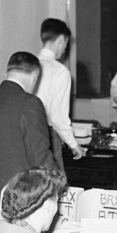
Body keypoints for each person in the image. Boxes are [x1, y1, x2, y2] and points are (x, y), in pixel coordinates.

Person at [0, 52, 54, 221]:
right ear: (34, 77)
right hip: (22, 204)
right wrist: (55, 190)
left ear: (7, 72)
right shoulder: (30, 103)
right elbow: (40, 158)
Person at [36, 18, 84, 170]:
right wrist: (74, 144)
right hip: (47, 136)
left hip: (24, 134)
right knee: (53, 185)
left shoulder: (27, 65)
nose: (64, 49)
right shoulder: (60, 71)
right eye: (66, 43)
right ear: (61, 40)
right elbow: (58, 117)